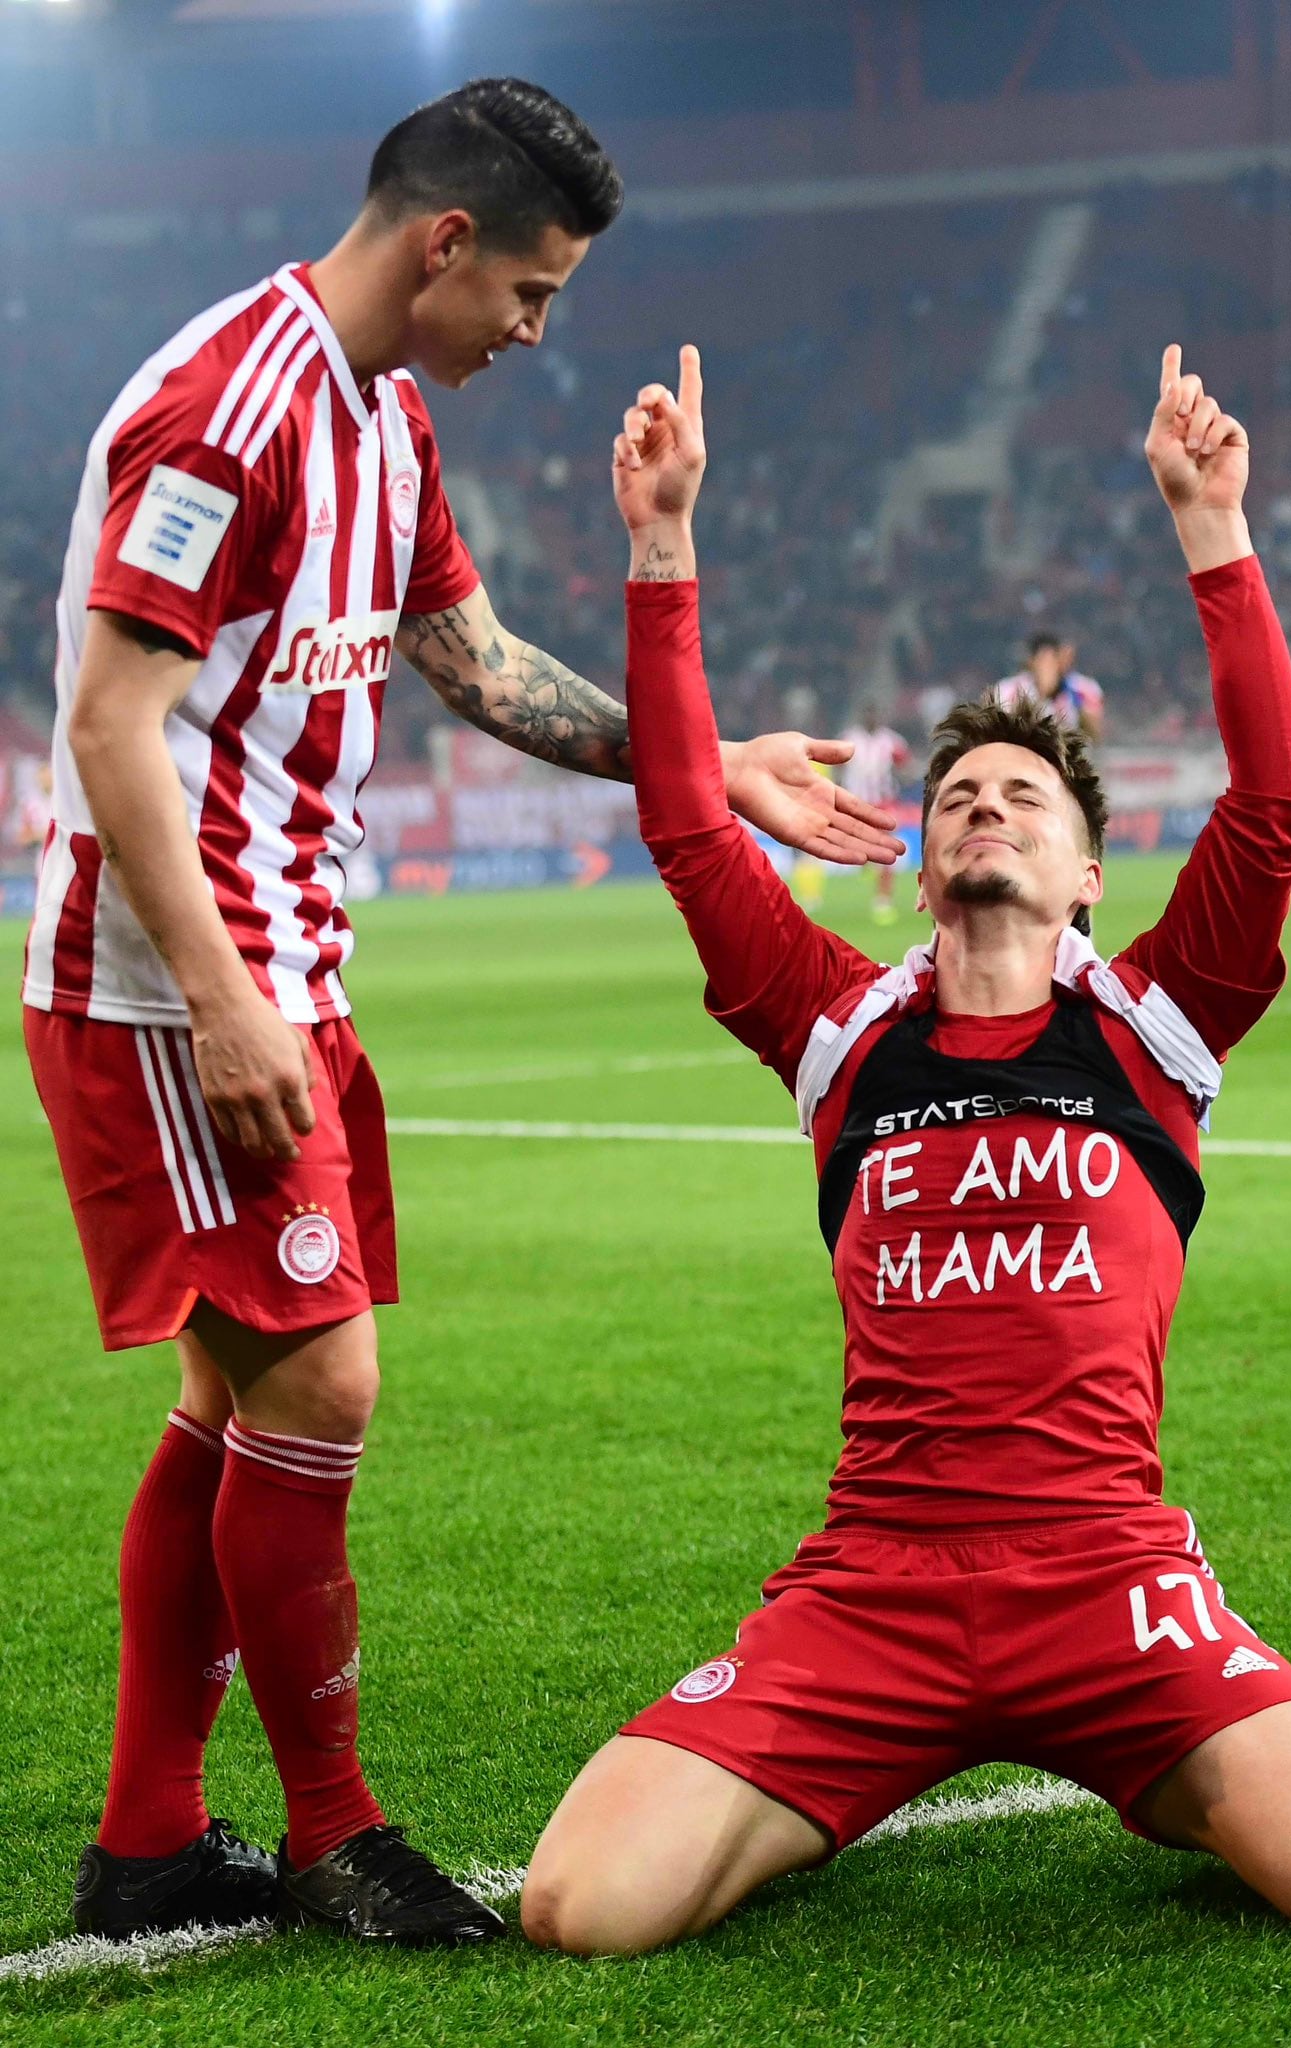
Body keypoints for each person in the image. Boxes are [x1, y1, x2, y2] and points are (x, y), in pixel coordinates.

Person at [23, 78, 897, 1948]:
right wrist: (219, 1002)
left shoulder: (386, 416)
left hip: (288, 968)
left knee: (234, 1396)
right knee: (319, 1382)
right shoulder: (225, 410)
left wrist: (708, 760)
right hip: (172, 985)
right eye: (531, 289)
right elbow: (107, 722)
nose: (535, 331)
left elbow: (475, 662)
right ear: (443, 243)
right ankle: (332, 1831)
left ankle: (148, 1842)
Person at [519, 343, 1291, 1954]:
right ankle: (840, 1776)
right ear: (913, 865)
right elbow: (684, 824)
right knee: (580, 1908)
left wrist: (1213, 532)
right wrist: (661, 543)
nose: (985, 808)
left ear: (1088, 873)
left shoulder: (1157, 1024)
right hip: (869, 1589)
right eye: (958, 793)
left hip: (1105, 1581)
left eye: (1026, 796)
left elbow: (1274, 799)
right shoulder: (839, 1030)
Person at [838, 704, 912, 923]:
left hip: (884, 803)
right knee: (860, 845)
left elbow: (905, 766)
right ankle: (865, 864)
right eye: (868, 715)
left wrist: (900, 783)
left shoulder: (892, 741)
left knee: (887, 849)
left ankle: (883, 900)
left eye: (874, 715)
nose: (871, 719)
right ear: (863, 717)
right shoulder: (849, 739)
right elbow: (837, 764)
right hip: (857, 802)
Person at [997, 631, 1104, 741]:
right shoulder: (1010, 689)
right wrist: (1043, 694)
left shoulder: (1082, 689)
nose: (1048, 667)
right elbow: (1001, 730)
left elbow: (1095, 734)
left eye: (1052, 660)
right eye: (1043, 661)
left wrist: (1078, 704)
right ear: (1031, 662)